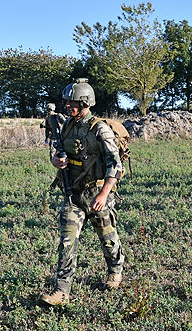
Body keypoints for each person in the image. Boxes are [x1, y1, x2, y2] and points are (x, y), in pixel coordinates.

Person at [39, 78, 125, 306]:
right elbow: (58, 152)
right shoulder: (67, 126)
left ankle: (115, 272)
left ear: (85, 102)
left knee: (108, 239)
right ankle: (62, 290)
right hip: (74, 194)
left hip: (97, 194)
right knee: (67, 242)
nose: (68, 105)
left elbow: (116, 165)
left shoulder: (100, 129)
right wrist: (56, 161)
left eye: (73, 102)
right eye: (67, 101)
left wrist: (104, 193)